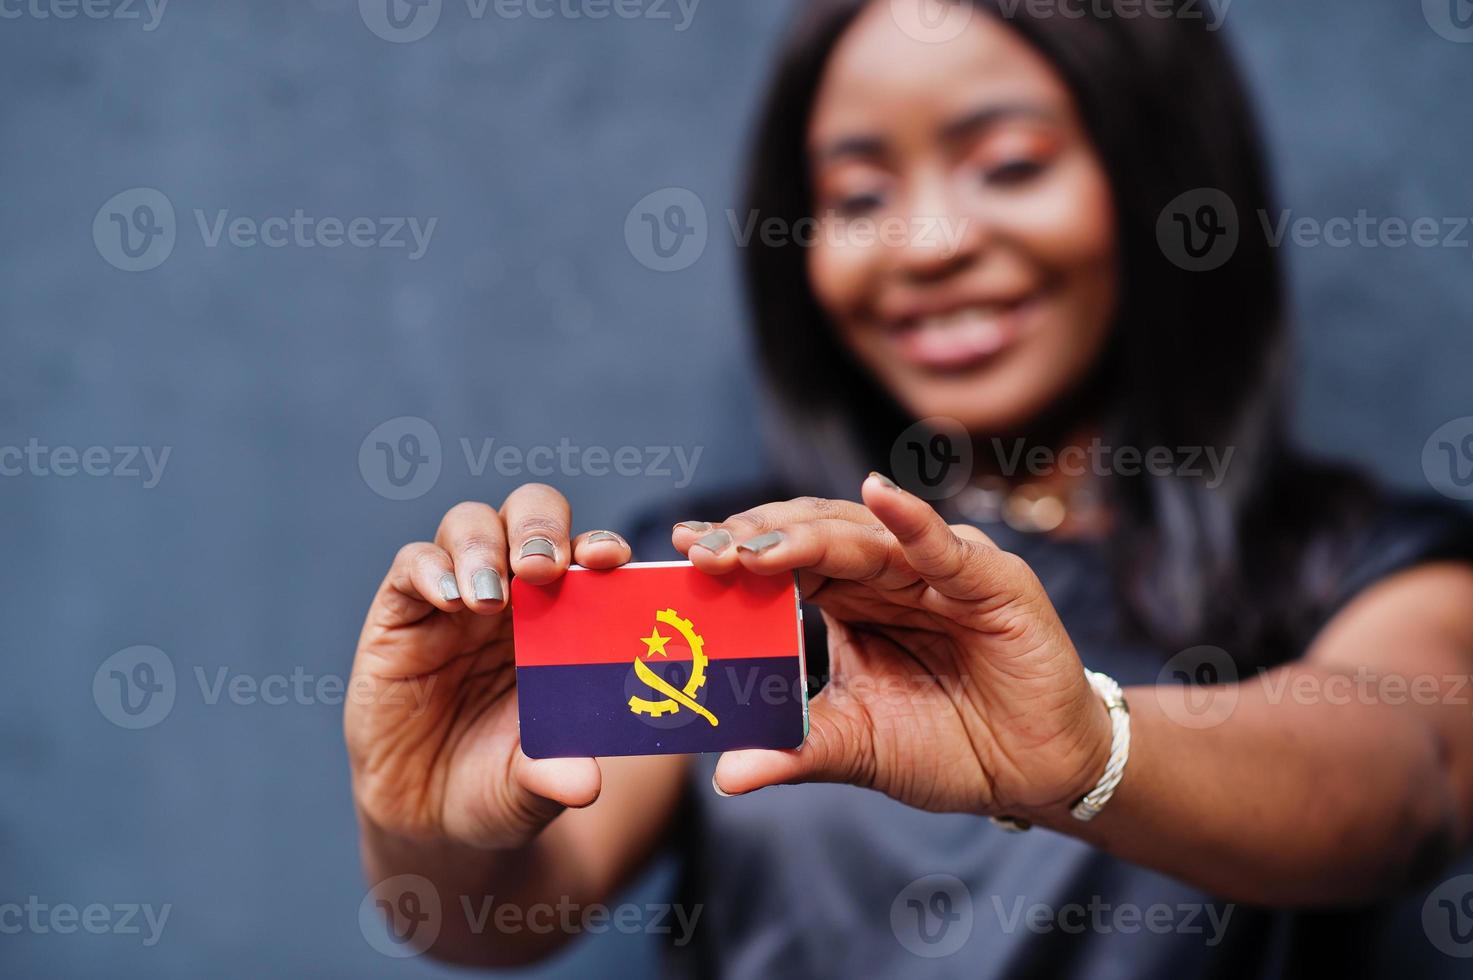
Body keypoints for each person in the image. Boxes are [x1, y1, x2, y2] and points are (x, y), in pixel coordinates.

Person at [344, 1, 1473, 975]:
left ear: (1158, 181)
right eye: (858, 191)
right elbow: (497, 914)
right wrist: (424, 830)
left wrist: (1091, 747)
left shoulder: (1372, 561)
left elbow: (1412, 780)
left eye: (1011, 165)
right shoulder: (726, 571)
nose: (924, 245)